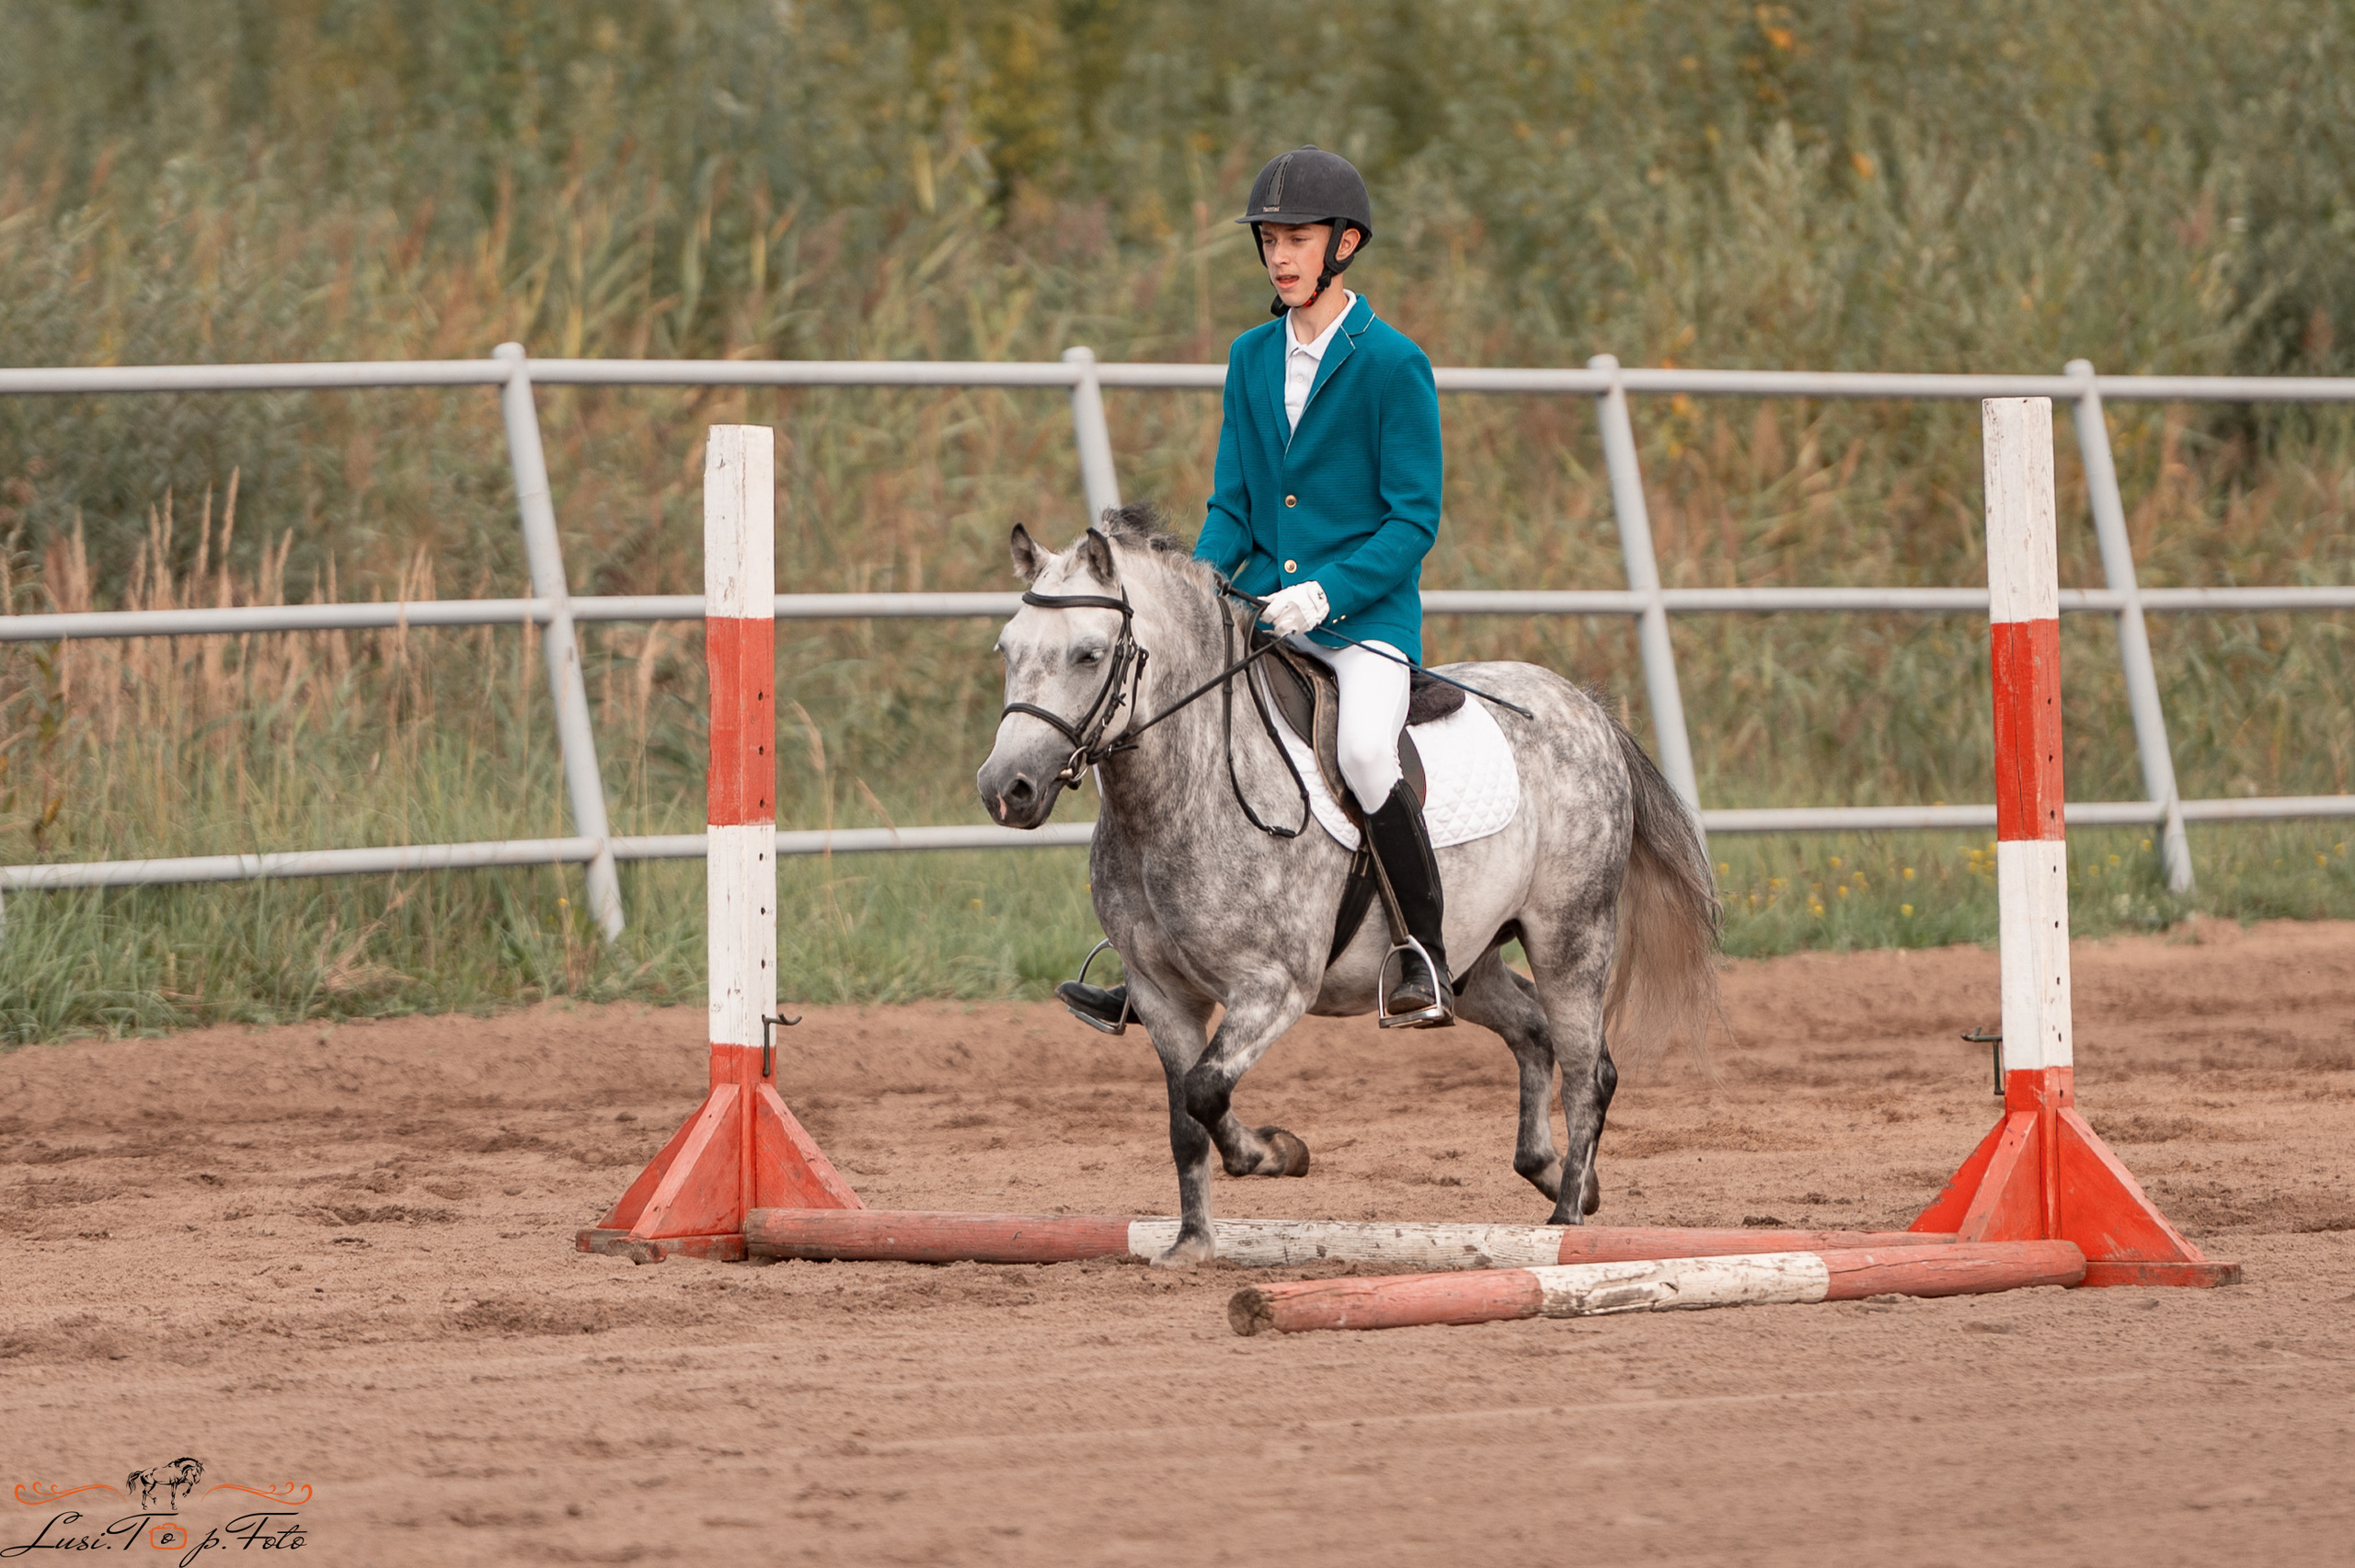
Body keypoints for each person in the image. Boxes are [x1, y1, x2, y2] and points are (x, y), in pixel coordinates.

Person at [1063, 143, 1453, 1031]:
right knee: (1171, 739)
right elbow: (1234, 510)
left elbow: (1410, 522)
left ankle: (1422, 954)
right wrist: (1196, 593)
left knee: (1361, 752)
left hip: (1363, 624)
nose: (1279, 255)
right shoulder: (1248, 357)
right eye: (1269, 239)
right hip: (1263, 617)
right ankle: (1149, 958)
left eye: (1297, 239)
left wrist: (1328, 594)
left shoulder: (1394, 364)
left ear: (1344, 243)